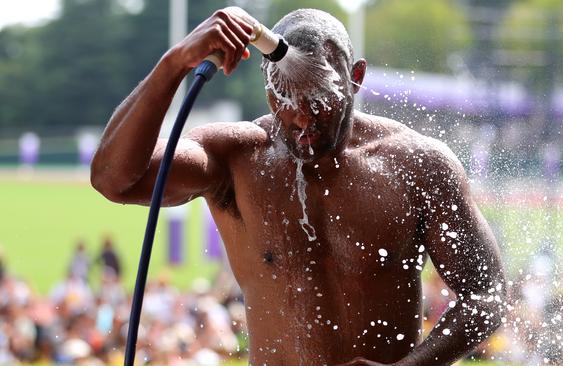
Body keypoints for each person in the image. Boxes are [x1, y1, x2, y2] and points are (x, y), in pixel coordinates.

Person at [90, 7, 506, 365]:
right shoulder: (238, 159)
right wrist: (175, 63)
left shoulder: (416, 164)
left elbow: (487, 295)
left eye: (320, 100)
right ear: (266, 84)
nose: (302, 118)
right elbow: (114, 179)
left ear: (355, 78)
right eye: (284, 99)